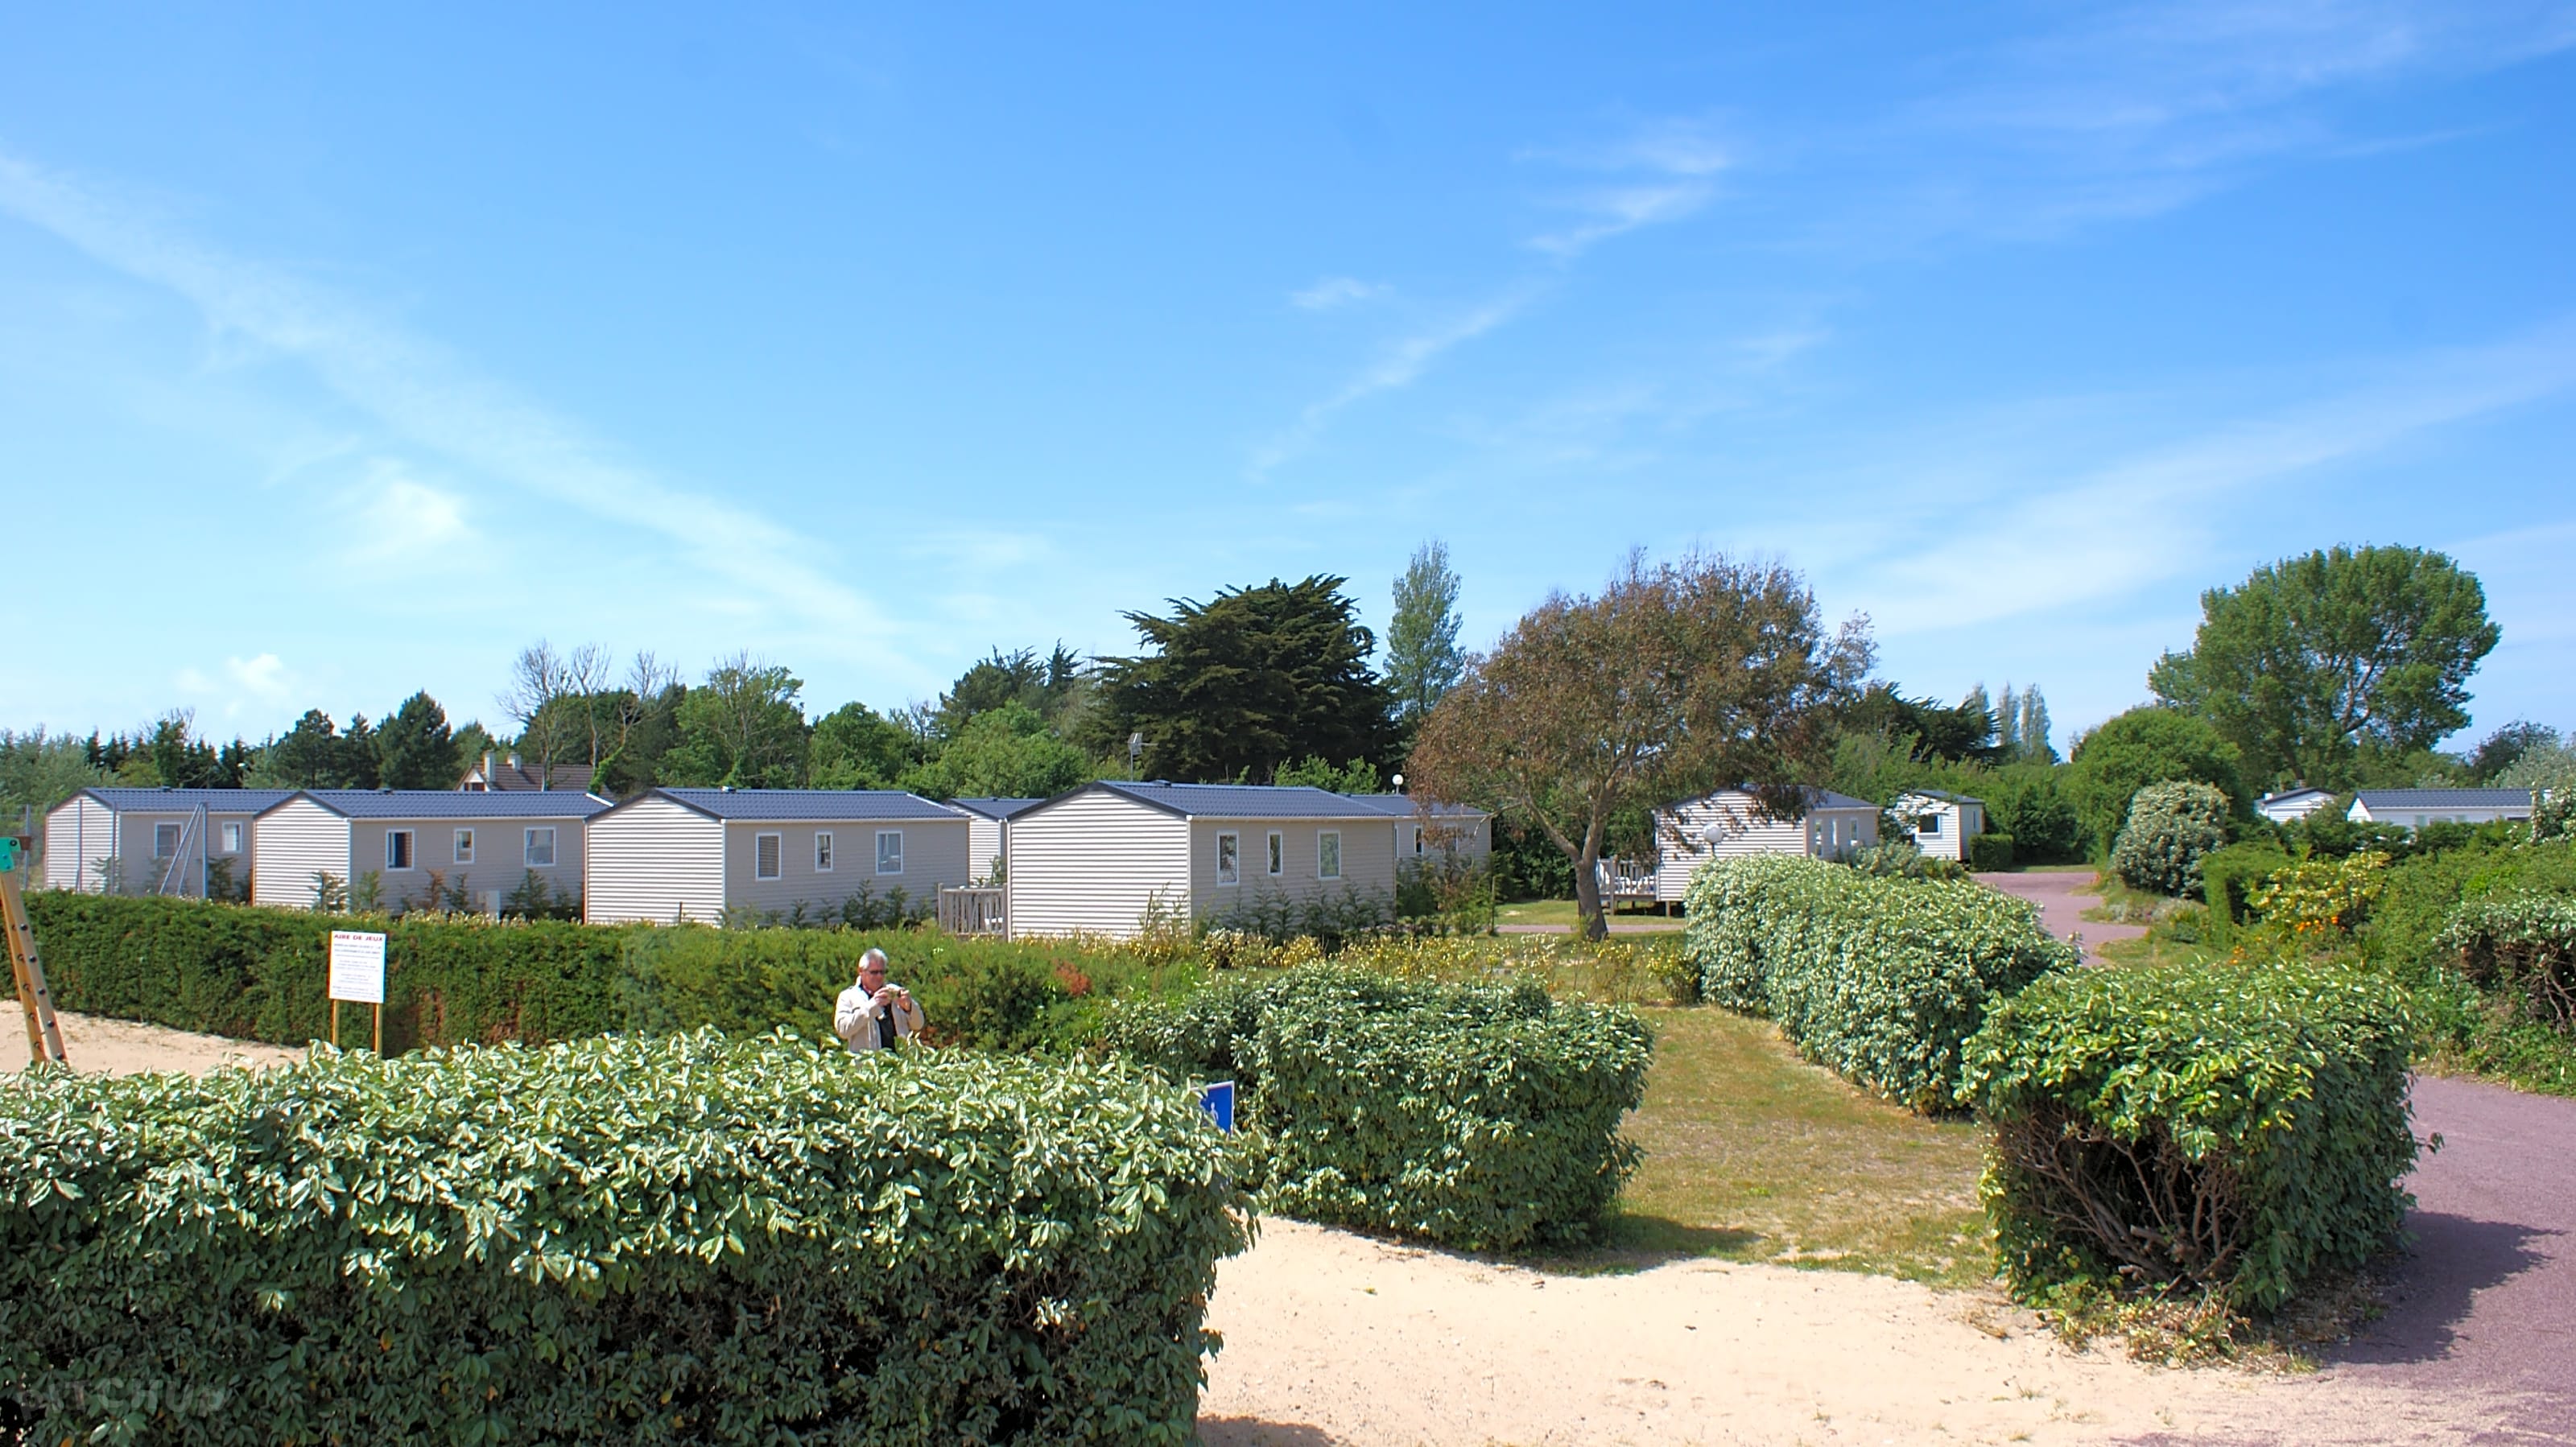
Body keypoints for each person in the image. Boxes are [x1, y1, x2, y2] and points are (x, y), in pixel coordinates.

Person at [834, 947, 925, 1053]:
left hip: (900, 1063)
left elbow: (919, 1025)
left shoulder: (895, 992)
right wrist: (871, 1007)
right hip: (868, 1065)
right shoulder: (848, 996)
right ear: (861, 971)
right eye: (874, 972)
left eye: (882, 972)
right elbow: (843, 1030)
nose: (879, 977)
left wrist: (909, 1007)